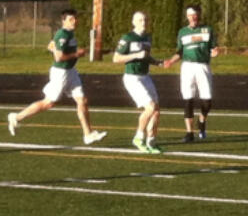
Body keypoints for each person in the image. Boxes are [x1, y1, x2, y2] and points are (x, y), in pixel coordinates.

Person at [7, 8, 107, 146]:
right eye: (71, 19)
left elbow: (54, 47)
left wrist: (54, 47)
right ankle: (16, 117)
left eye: (75, 19)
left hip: (70, 71)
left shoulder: (69, 34)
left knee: (82, 100)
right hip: (60, 72)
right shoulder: (63, 34)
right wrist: (76, 54)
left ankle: (88, 134)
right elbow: (59, 57)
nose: (74, 21)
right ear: (63, 21)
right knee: (48, 103)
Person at [161, 4, 219, 143]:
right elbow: (180, 51)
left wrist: (215, 51)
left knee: (207, 100)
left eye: (195, 14)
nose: (193, 17)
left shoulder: (207, 30)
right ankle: (189, 132)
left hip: (203, 66)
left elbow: (214, 47)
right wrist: (171, 61)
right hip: (187, 67)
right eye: (190, 15)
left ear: (199, 15)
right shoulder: (182, 32)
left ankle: (202, 120)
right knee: (188, 99)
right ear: (187, 17)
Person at [113, 11, 164, 154]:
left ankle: (151, 141)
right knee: (150, 107)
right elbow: (116, 58)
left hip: (145, 76)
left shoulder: (148, 38)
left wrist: (156, 62)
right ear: (134, 22)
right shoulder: (128, 38)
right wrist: (136, 55)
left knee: (156, 110)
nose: (144, 22)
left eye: (146, 20)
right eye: (140, 20)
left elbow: (146, 56)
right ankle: (138, 137)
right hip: (132, 77)